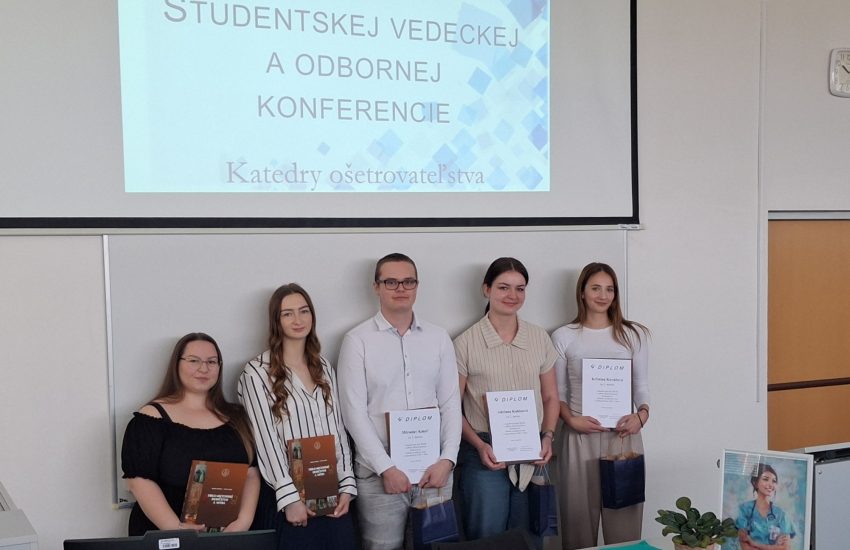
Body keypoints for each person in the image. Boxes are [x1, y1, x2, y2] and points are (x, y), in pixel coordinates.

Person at [337, 253, 462, 550]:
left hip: (435, 471)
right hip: (379, 475)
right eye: (391, 282)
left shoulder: (438, 338)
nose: (401, 288)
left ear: (417, 286)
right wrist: (386, 468)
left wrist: (448, 460)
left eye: (408, 281)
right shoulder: (357, 341)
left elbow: (450, 403)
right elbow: (353, 412)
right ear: (376, 287)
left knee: (436, 547)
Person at [238, 283, 357, 550]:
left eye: (304, 311)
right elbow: (265, 441)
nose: (298, 320)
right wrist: (290, 499)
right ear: (276, 321)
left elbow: (338, 430)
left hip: (331, 494)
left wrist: (347, 486)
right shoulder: (256, 373)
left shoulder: (323, 366)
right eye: (287, 313)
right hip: (288, 501)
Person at [453, 257, 560, 543]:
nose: (512, 295)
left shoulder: (539, 338)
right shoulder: (465, 343)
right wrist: (479, 445)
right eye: (503, 287)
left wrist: (548, 437)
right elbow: (451, 408)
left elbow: (551, 396)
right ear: (486, 289)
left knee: (529, 537)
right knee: (488, 538)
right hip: (484, 453)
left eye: (520, 288)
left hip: (532, 451)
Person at [552, 262, 650, 549]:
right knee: (578, 527)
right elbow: (558, 392)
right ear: (582, 292)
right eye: (595, 288)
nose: (603, 295)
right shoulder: (564, 336)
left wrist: (641, 416)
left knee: (625, 529)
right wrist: (571, 420)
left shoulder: (633, 334)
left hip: (623, 437)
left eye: (609, 289)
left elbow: (641, 386)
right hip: (578, 436)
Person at [121, 332, 260, 535]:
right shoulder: (150, 419)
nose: (204, 369)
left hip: (227, 537)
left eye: (211, 362)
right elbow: (138, 481)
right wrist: (176, 529)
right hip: (166, 535)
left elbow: (251, 473)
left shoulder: (237, 417)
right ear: (176, 364)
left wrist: (243, 522)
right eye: (194, 360)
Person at [736, 463, 794, 550]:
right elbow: (745, 547)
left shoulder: (781, 515)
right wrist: (774, 547)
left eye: (774, 481)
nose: (770, 484)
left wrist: (754, 543)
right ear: (755, 483)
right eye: (766, 479)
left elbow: (785, 547)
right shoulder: (744, 510)